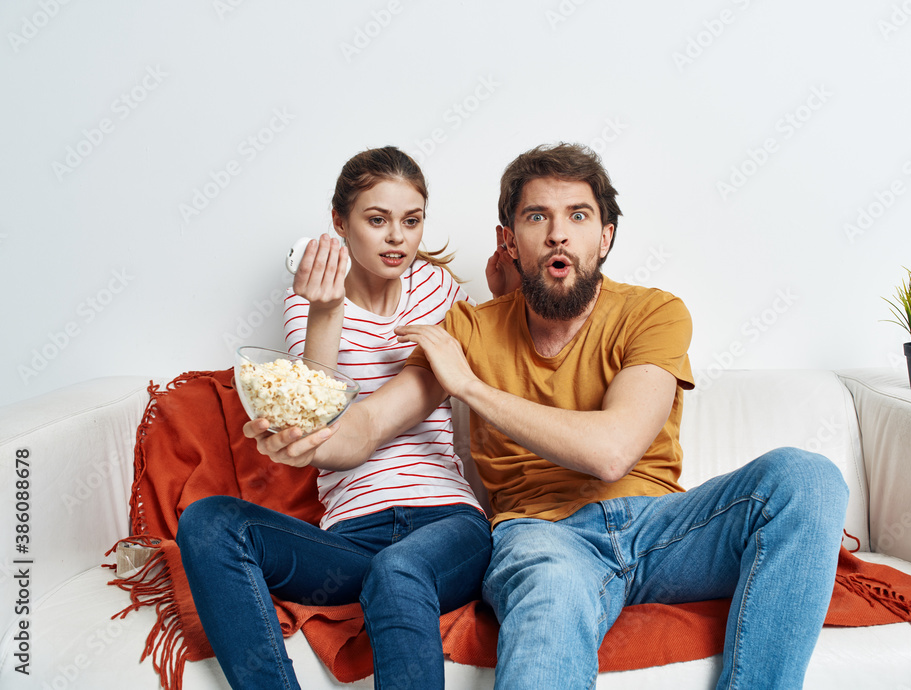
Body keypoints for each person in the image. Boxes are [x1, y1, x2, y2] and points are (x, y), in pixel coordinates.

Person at [249, 143, 849, 689]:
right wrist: (305, 439)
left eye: (578, 216)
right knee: (552, 593)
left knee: (807, 477)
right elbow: (367, 428)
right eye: (537, 217)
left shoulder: (654, 313)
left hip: (665, 529)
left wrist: (471, 388)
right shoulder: (469, 329)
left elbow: (613, 450)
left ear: (605, 237)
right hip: (541, 539)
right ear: (509, 238)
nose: (559, 234)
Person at [177, 146, 492, 690]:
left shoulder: (444, 293)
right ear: (339, 222)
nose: (397, 237)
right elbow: (315, 413)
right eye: (377, 220)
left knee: (401, 572)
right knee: (207, 524)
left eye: (411, 221)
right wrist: (326, 311)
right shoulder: (308, 303)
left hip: (447, 524)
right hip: (352, 538)